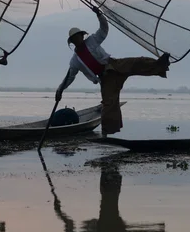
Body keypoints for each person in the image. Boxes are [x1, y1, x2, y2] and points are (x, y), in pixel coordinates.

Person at [55, 7, 170, 136]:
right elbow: (70, 77)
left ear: (82, 36)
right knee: (109, 103)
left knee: (137, 63)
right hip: (105, 77)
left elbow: (104, 30)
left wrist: (99, 15)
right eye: (75, 38)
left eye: (79, 36)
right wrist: (60, 90)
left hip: (113, 64)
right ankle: (106, 132)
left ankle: (161, 65)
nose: (78, 39)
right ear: (73, 42)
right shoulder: (75, 61)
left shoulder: (92, 40)